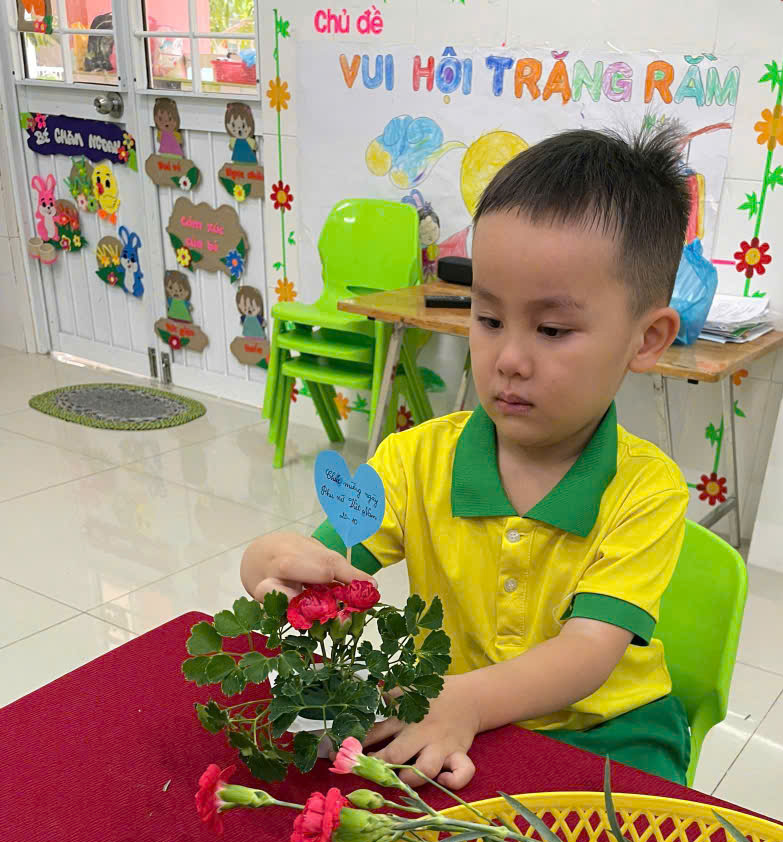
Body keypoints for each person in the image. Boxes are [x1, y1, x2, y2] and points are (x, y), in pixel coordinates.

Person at [242, 127, 690, 791]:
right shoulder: (413, 459)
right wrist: (269, 562)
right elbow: (330, 560)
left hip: (608, 727)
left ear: (646, 339)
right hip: (452, 708)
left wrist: (468, 702)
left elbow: (588, 652)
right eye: (488, 319)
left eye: (552, 329)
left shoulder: (647, 489)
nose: (508, 359)